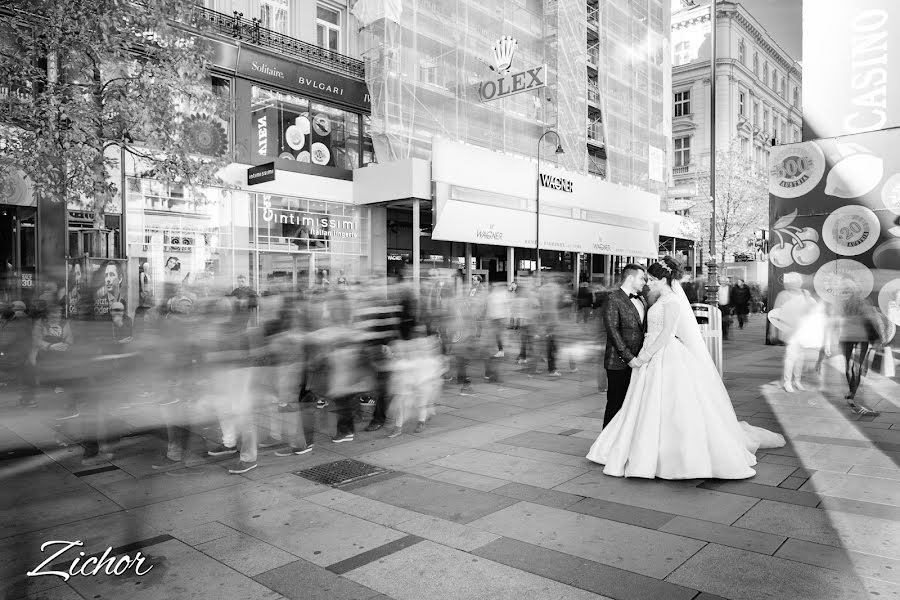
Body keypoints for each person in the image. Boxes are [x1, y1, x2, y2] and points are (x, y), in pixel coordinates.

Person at [587, 257, 785, 479]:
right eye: (647, 279)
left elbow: (665, 334)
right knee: (642, 405)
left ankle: (666, 454)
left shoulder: (671, 301)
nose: (648, 283)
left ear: (663, 279)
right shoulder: (653, 298)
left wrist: (644, 355)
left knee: (667, 404)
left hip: (660, 354)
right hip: (650, 356)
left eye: (652, 279)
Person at [601, 264, 647, 427]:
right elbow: (612, 330)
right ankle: (605, 447)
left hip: (640, 362)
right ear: (630, 278)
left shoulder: (641, 298)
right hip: (618, 363)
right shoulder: (613, 298)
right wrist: (628, 357)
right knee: (615, 404)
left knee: (632, 406)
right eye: (642, 278)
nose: (645, 282)